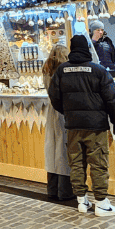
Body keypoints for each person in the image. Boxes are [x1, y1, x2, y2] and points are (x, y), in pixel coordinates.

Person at [48, 35, 115, 217]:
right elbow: (112, 99)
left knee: (76, 164)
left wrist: (68, 112)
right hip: (96, 126)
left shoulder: (61, 71)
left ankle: (82, 201)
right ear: (87, 49)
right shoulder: (98, 70)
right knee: (98, 163)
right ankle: (101, 204)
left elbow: (54, 98)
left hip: (73, 126)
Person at [41, 45, 74, 201]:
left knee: (52, 149)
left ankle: (52, 189)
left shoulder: (46, 68)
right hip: (63, 110)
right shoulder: (65, 70)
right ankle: (64, 190)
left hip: (51, 110)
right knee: (63, 149)